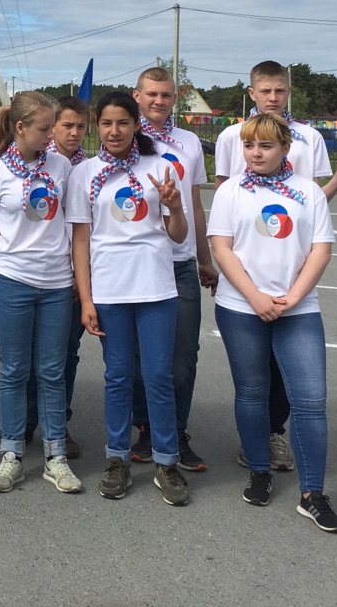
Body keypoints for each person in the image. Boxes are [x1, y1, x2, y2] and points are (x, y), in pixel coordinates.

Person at [213, 60, 337, 472]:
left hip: (290, 269)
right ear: (252, 93)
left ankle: (274, 433)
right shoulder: (233, 136)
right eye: (265, 91)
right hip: (247, 271)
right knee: (253, 378)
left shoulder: (308, 138)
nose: (272, 97)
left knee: (289, 375)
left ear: (288, 92)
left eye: (279, 90)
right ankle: (256, 445)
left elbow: (310, 203)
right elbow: (224, 211)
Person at [208, 113, 337, 533]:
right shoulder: (230, 191)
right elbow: (221, 248)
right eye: (249, 146)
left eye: (265, 146)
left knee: (310, 399)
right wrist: (255, 297)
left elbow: (320, 249)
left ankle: (312, 494)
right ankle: (259, 471)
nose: (255, 153)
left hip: (296, 310)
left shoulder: (309, 192)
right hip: (241, 307)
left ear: (286, 148)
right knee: (252, 392)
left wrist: (294, 296)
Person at [69, 91, 190, 504]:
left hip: (156, 287)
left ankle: (166, 462)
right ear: (97, 126)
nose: (114, 131)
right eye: (106, 123)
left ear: (137, 124)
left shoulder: (160, 167)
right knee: (118, 376)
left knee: (158, 376)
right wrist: (87, 299)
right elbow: (81, 240)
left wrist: (175, 207)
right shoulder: (85, 173)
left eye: (123, 122)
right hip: (109, 289)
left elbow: (178, 236)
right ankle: (117, 457)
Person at [0, 91, 81, 495]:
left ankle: (56, 457)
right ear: (20, 128)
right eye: (45, 128)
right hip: (13, 282)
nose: (52, 135)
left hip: (57, 284)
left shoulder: (62, 166)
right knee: (15, 370)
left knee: (52, 370)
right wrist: (7, 257)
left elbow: (72, 221)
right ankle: (12, 454)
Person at [129, 68, 219, 472]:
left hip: (179, 262)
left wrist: (204, 257)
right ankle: (147, 429)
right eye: (151, 94)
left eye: (166, 94)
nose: (158, 101)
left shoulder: (188, 143)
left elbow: (195, 204)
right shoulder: (126, 137)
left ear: (175, 98)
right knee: (139, 355)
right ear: (137, 95)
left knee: (183, 354)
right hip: (137, 260)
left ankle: (177, 432)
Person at [24, 96, 91, 457]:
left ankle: (58, 425)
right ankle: (24, 423)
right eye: (67, 125)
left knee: (65, 354)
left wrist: (84, 279)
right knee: (29, 354)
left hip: (73, 276)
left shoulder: (90, 168)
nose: (74, 133)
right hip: (35, 272)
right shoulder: (34, 163)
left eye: (81, 126)